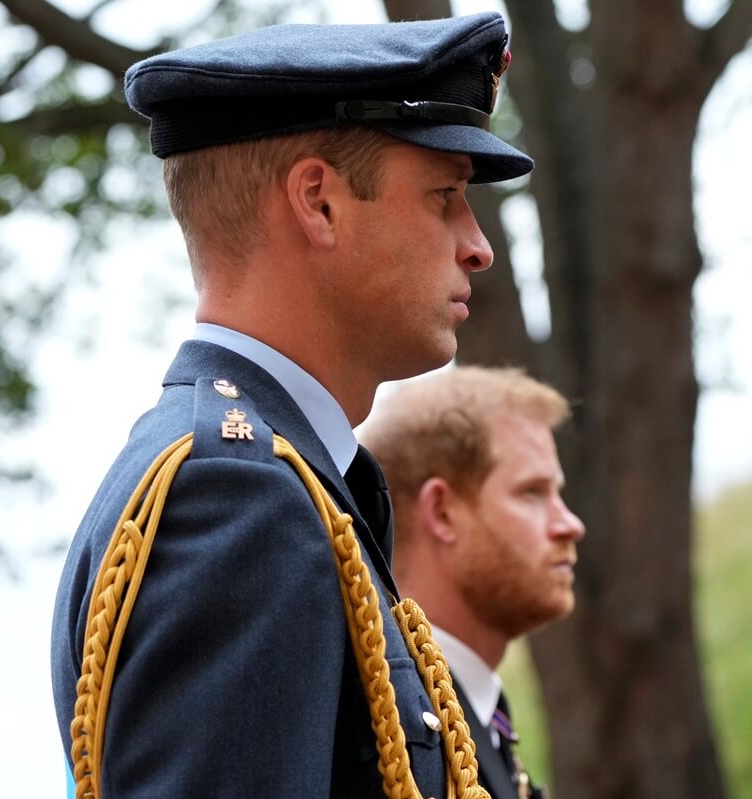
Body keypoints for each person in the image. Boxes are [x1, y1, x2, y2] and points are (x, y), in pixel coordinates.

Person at [49, 13, 533, 798]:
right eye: (444, 195)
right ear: (319, 202)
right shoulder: (236, 496)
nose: (476, 244)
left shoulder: (290, 477)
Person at [359, 366, 586, 799]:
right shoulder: (391, 735)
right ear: (443, 512)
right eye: (532, 493)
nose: (570, 524)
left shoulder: (470, 709)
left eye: (559, 493)